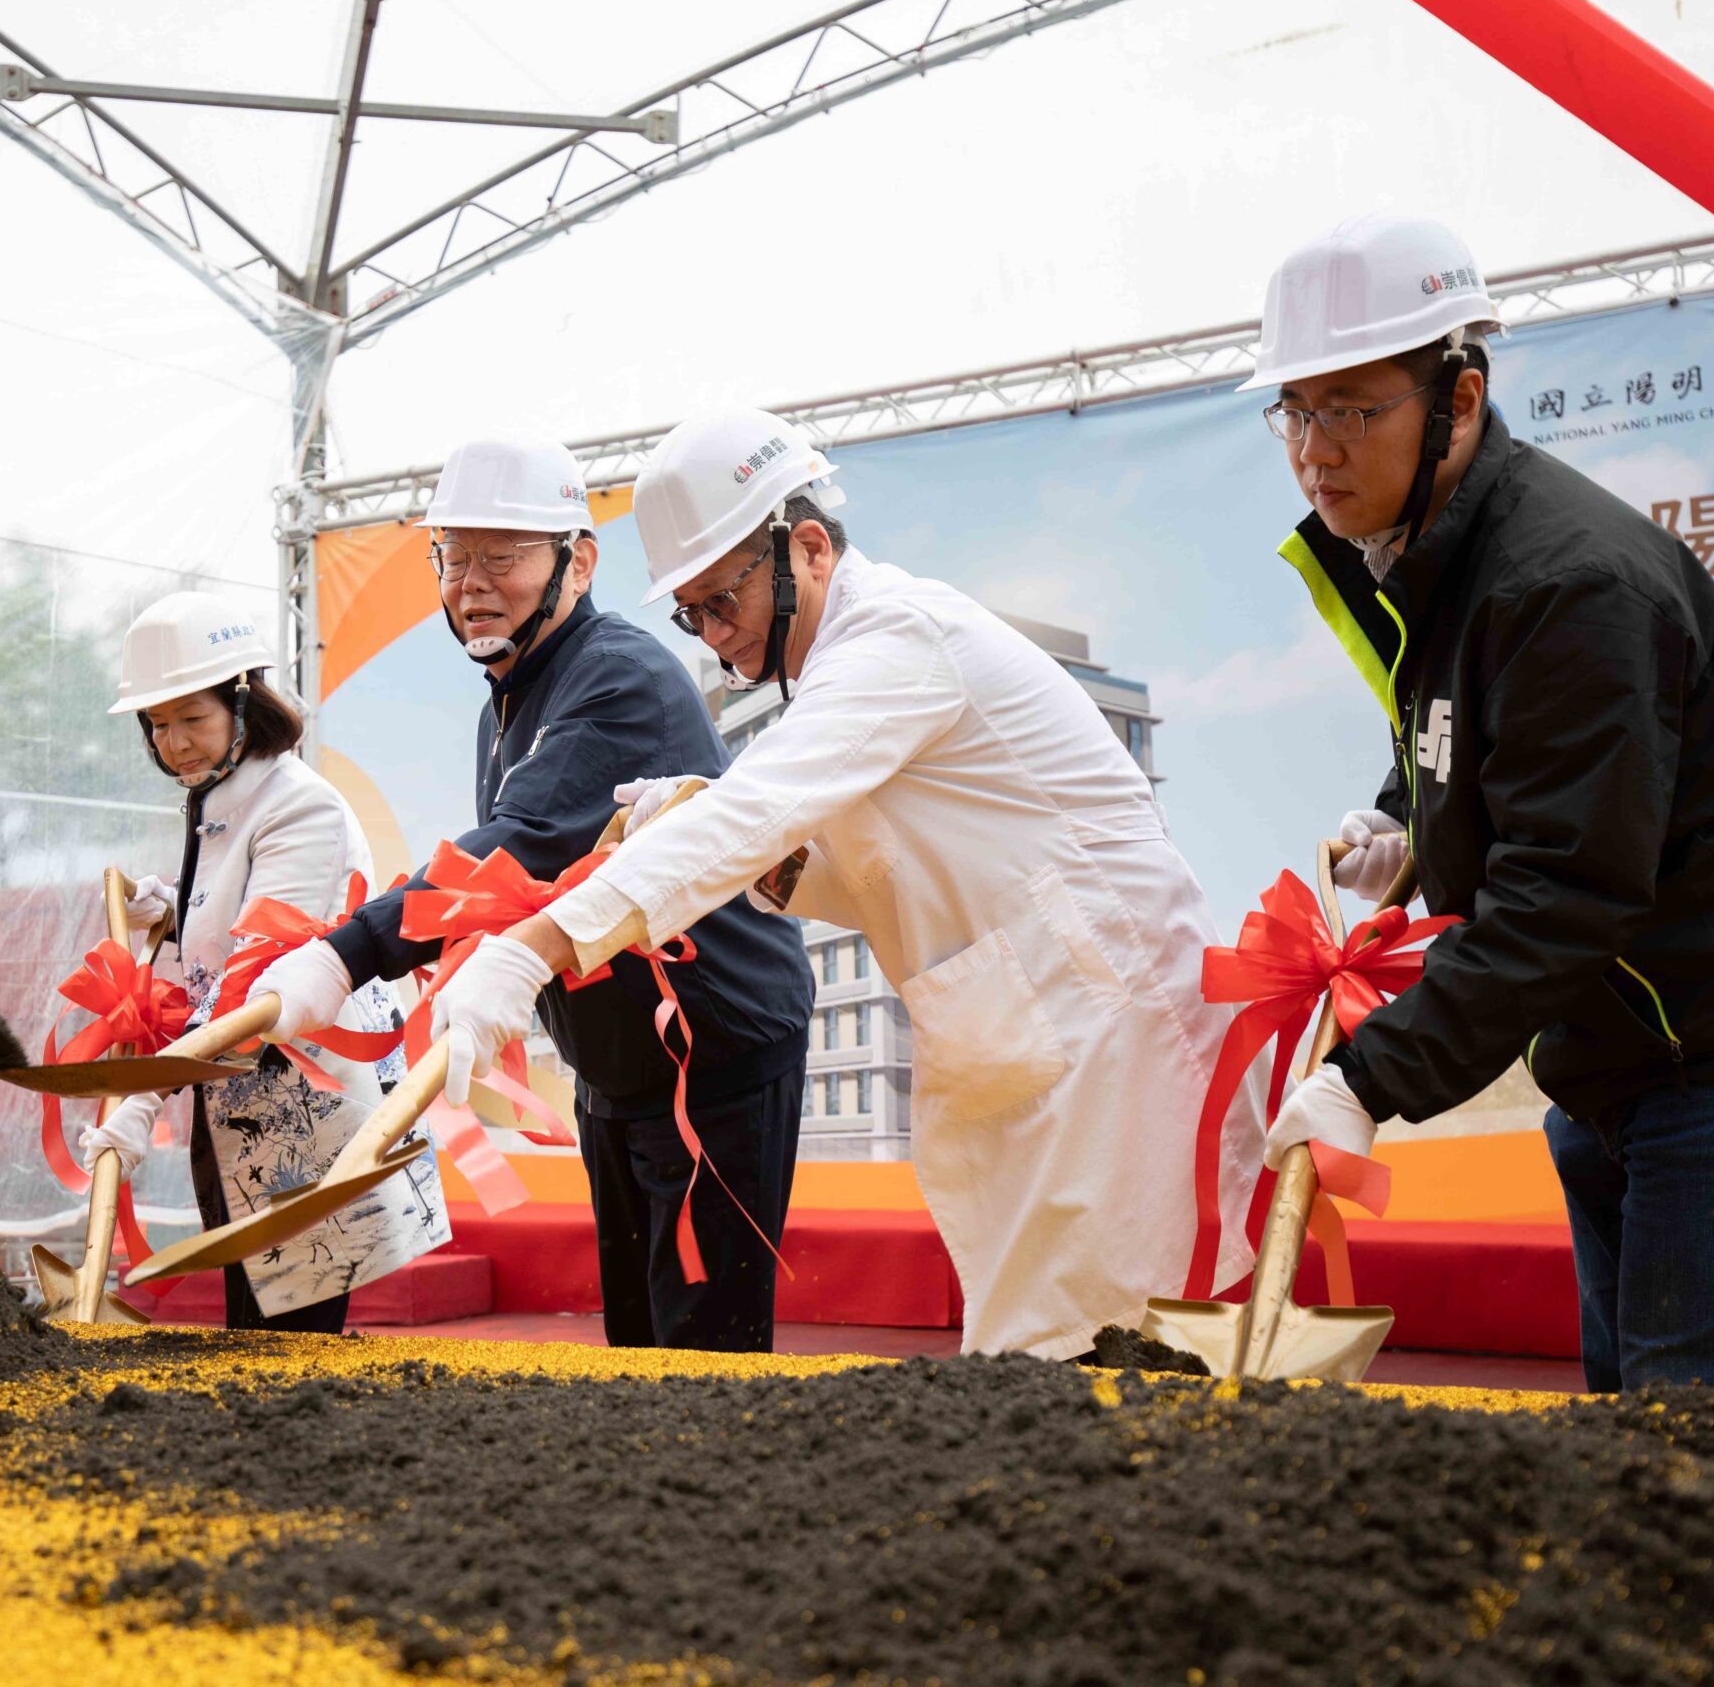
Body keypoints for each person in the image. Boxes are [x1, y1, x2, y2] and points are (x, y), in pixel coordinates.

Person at [411, 408, 1261, 1360]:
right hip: (1038, 1045)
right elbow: (852, 870)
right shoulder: (841, 674)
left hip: (1117, 1046)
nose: (715, 639)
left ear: (806, 548)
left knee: (1121, 1359)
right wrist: (719, 828)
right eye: (691, 613)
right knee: (1051, 1359)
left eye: (721, 604)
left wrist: (526, 956)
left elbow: (755, 813)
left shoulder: (898, 639)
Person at [1238, 213, 1714, 1399]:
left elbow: (1567, 891)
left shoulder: (1565, 580)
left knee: (1703, 1459)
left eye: (1351, 408)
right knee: (1631, 1441)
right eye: (1294, 410)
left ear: (1458, 399)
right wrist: (1410, 830)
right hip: (1623, 1052)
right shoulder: (1432, 553)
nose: (1314, 449)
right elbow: (1477, 749)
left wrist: (1373, 1077)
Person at [247, 436, 817, 1353]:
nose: (472, 582)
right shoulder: (504, 704)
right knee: (635, 1344)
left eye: (502, 556)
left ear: (578, 562)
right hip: (615, 1068)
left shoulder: (620, 677)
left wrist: (344, 954)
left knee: (705, 1358)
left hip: (714, 1058)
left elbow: (507, 852)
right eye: (453, 556)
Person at [78, 590, 449, 1332]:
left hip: (300, 1109)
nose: (174, 742)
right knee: (254, 1332)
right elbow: (229, 933)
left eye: (193, 718)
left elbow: (258, 978)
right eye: (158, 724)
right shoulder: (216, 794)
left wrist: (144, 1097)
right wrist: (178, 921)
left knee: (290, 1344)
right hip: (238, 1104)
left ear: (244, 701)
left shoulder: (296, 806)